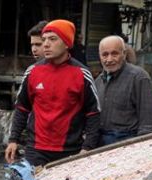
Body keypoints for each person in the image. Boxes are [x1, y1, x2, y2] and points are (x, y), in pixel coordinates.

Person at [6, 20, 101, 166]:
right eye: (44, 39)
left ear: (67, 43)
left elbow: (93, 113)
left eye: (52, 39)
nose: (46, 44)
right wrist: (13, 139)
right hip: (35, 149)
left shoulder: (82, 74)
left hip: (70, 151)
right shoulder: (33, 71)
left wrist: (87, 148)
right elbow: (22, 108)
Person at [95, 35, 152, 145]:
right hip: (101, 142)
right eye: (105, 55)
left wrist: (143, 146)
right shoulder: (99, 80)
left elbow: (149, 120)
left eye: (114, 54)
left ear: (124, 54)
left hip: (126, 142)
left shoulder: (139, 77)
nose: (109, 59)